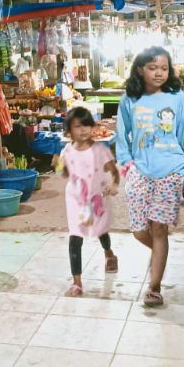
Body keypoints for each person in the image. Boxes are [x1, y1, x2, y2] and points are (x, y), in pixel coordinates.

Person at [116, 46, 184, 307]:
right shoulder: (130, 98)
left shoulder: (176, 98)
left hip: (172, 169)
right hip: (139, 170)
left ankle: (155, 286)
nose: (159, 73)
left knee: (159, 229)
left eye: (164, 68)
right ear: (140, 70)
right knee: (140, 230)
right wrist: (127, 163)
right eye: (152, 68)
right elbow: (121, 133)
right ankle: (160, 253)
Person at [60, 106, 120, 297]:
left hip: (96, 197)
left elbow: (114, 171)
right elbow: (64, 173)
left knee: (100, 230)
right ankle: (77, 282)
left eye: (86, 125)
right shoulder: (67, 151)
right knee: (75, 236)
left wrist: (114, 185)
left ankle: (109, 254)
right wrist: (57, 165)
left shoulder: (100, 150)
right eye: (78, 126)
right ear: (69, 130)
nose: (83, 130)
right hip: (75, 200)